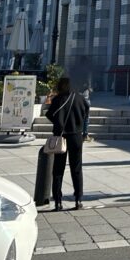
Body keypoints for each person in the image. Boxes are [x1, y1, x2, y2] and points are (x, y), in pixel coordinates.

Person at [46, 76, 89, 211]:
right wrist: (81, 128)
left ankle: (58, 201)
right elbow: (86, 114)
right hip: (76, 136)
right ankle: (78, 199)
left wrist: (59, 123)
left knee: (58, 169)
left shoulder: (57, 99)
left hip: (61, 136)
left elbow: (49, 114)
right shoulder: (80, 99)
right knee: (76, 168)